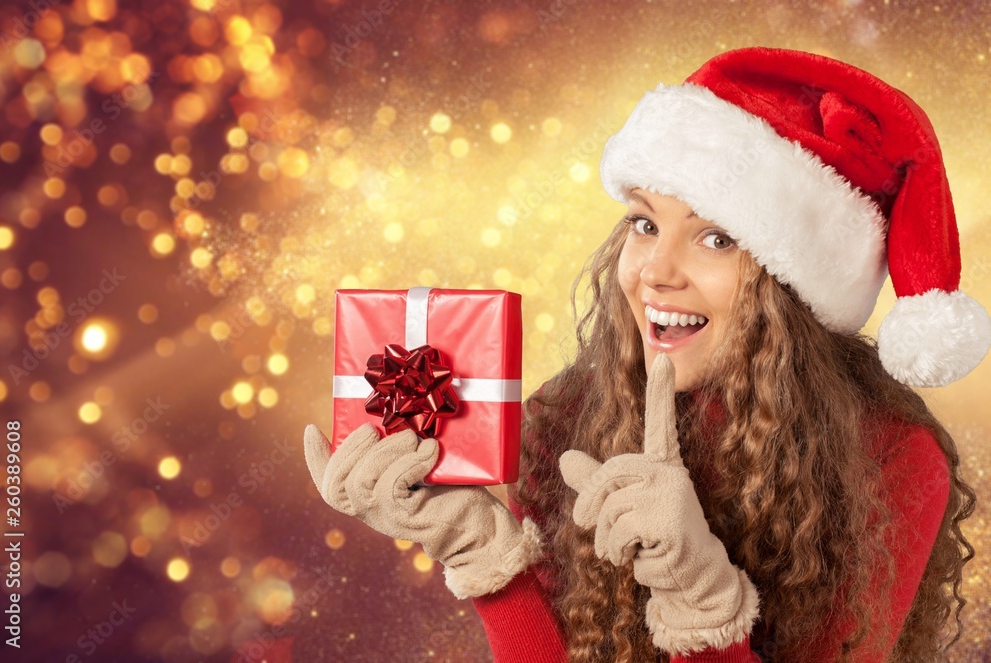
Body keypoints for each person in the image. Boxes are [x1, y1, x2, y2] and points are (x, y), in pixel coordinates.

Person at [304, 47, 991, 662]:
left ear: (793, 284)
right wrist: (486, 559)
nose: (655, 271)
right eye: (644, 222)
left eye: (716, 238)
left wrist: (701, 598)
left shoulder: (892, 457)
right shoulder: (568, 416)